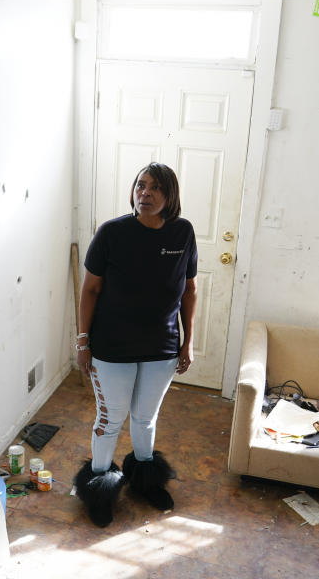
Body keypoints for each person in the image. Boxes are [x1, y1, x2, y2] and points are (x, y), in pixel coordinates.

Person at [72, 162, 198, 527]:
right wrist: (83, 341)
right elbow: (90, 289)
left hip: (162, 347)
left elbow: (189, 291)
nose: (145, 193)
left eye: (155, 188)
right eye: (141, 186)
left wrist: (188, 342)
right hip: (112, 347)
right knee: (110, 418)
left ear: (170, 196)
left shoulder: (183, 233)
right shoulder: (112, 233)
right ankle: (99, 487)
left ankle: (144, 481)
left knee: (145, 418)